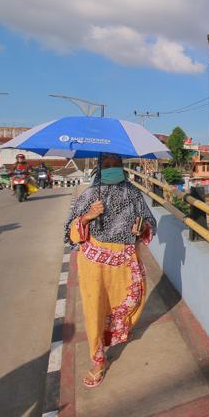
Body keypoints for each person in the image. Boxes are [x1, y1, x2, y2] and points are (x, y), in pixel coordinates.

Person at [64, 153, 157, 388]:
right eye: (107, 165)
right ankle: (98, 360)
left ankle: (116, 334)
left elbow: (149, 221)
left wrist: (142, 227)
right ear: (99, 167)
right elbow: (70, 232)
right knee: (95, 311)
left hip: (125, 259)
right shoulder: (88, 195)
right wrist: (88, 217)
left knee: (131, 302)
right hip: (94, 263)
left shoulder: (134, 194)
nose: (113, 168)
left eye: (117, 164)